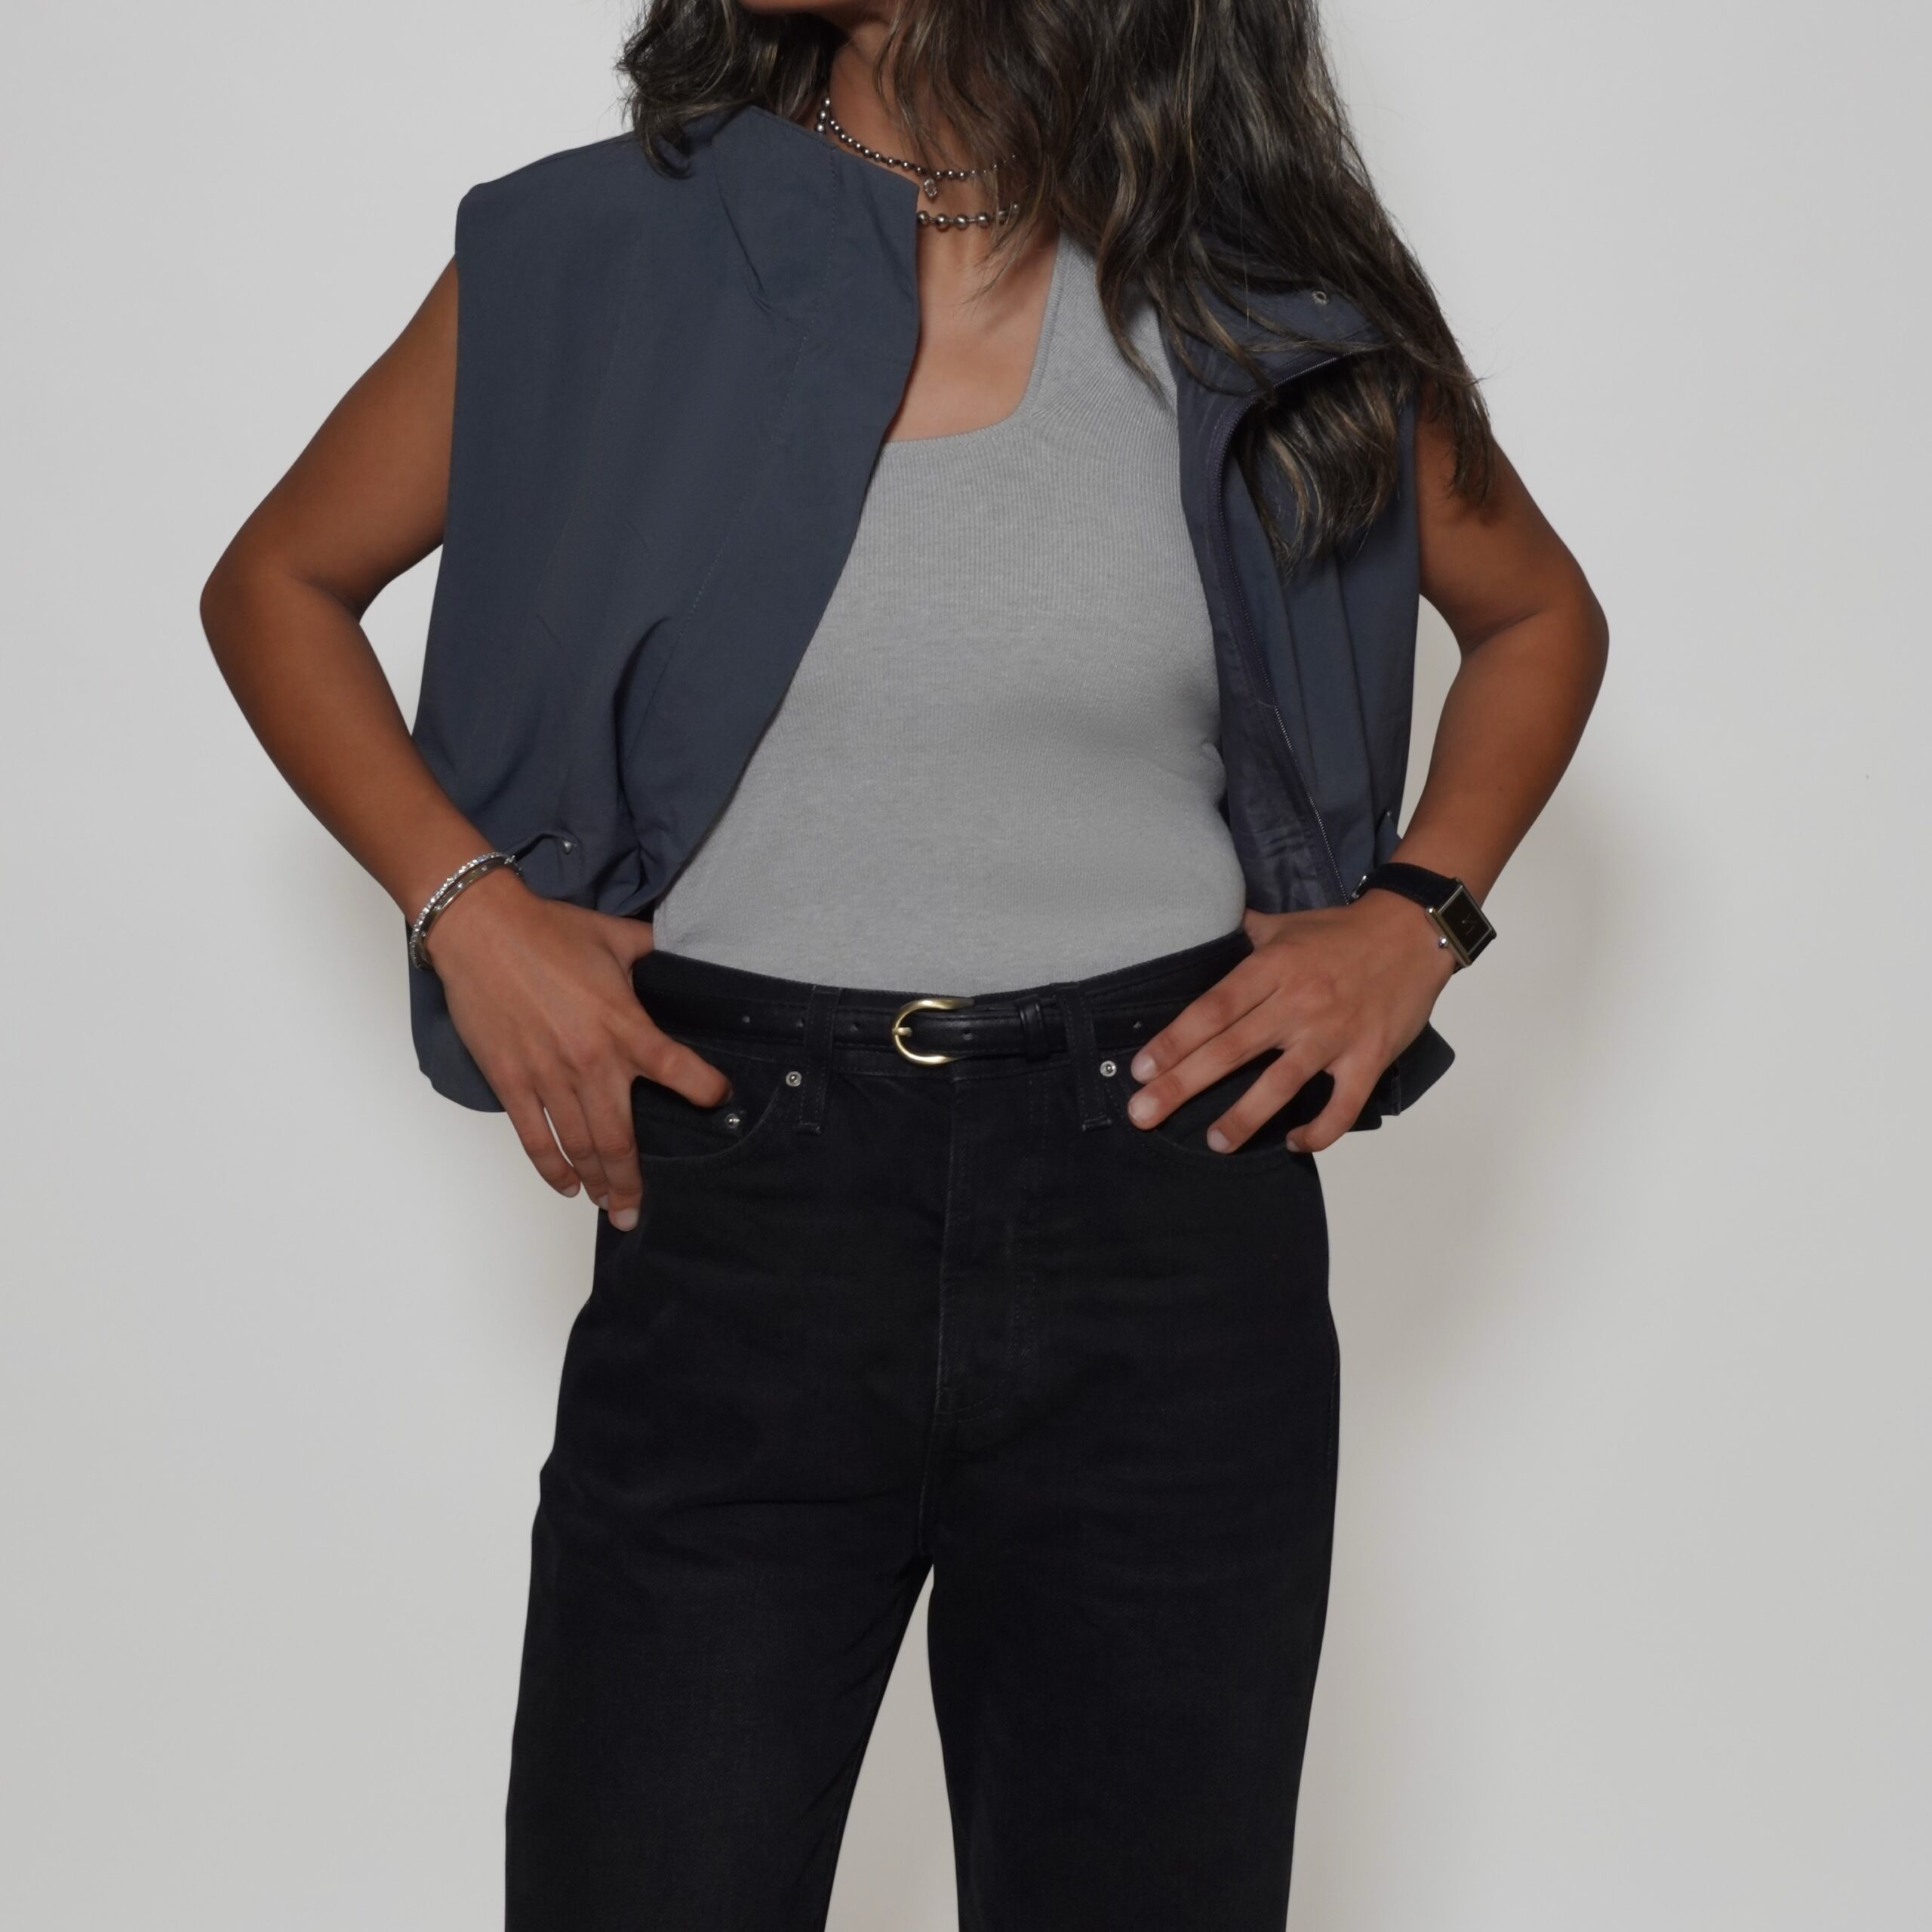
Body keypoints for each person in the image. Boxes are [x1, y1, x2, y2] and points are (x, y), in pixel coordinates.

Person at [202, 2, 1607, 1924]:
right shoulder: (593, 247)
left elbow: (1534, 613)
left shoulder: (1250, 294)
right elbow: (277, 581)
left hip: (1164, 1207)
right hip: (739, 1199)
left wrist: (1412, 918)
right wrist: (471, 905)